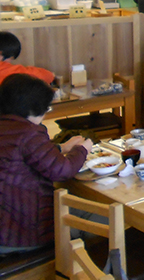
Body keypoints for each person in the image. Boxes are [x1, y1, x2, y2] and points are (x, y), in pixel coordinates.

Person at [0, 74, 92, 253]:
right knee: (100, 218)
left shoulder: (8, 127)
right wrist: (83, 150)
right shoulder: (28, 133)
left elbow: (19, 157)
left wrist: (60, 148)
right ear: (33, 109)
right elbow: (62, 171)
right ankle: (87, 273)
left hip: (6, 225)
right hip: (21, 233)